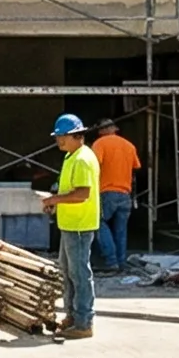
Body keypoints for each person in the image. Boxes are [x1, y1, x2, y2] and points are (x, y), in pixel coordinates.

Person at [40, 113, 102, 339]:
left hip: (79, 226)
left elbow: (82, 194)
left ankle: (84, 322)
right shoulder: (71, 157)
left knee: (79, 273)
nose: (58, 140)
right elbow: (70, 191)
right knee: (68, 273)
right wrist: (55, 203)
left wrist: (53, 200)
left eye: (61, 136)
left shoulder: (83, 159)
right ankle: (73, 316)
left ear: (76, 135)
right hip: (70, 224)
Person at [91, 118, 141, 271]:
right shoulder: (129, 145)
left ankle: (111, 261)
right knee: (121, 230)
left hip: (107, 192)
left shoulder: (100, 144)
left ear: (101, 131)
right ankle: (121, 262)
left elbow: (93, 166)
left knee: (98, 223)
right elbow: (136, 166)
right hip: (125, 193)